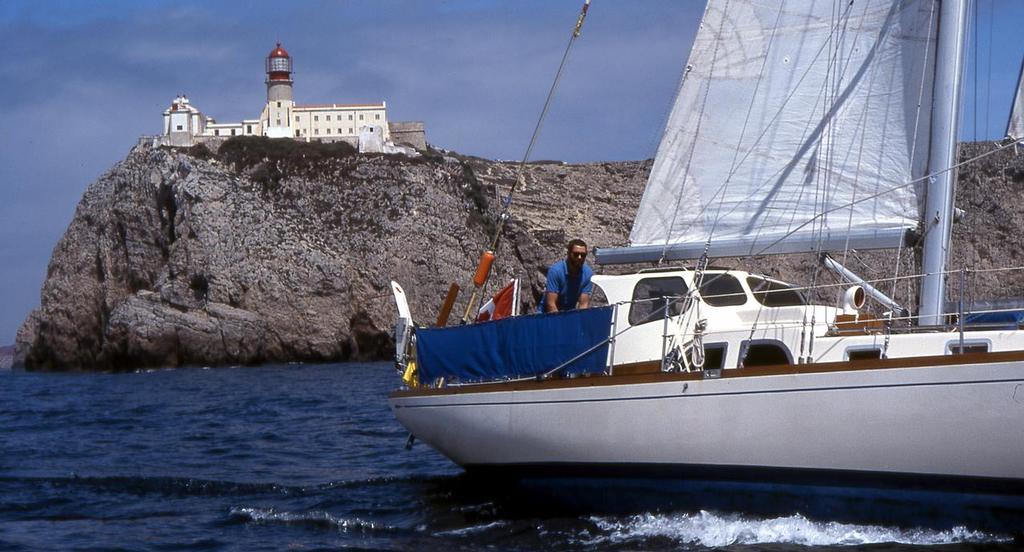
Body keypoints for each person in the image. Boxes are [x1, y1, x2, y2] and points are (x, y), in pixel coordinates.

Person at [540, 239, 593, 313]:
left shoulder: (587, 274)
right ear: (568, 253)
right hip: (547, 314)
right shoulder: (556, 271)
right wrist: (560, 322)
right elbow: (551, 304)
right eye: (576, 254)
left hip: (569, 313)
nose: (579, 257)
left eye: (583, 255)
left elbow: (583, 305)